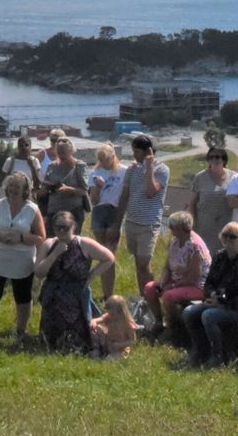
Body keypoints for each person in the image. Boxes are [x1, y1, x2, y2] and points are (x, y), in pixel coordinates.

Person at [0, 171, 44, 342]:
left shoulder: (33, 210)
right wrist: (0, 236)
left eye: (17, 187)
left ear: (25, 190)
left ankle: (21, 331)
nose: (13, 189)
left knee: (23, 298)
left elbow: (41, 238)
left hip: (23, 261)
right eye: (11, 186)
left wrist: (21, 238)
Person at [34, 209, 114, 353]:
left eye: (65, 227)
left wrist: (91, 275)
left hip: (76, 297)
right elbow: (39, 272)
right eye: (58, 227)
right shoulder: (49, 244)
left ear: (73, 227)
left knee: (78, 341)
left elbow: (109, 258)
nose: (61, 231)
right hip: (53, 296)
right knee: (50, 342)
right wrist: (55, 254)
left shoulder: (84, 244)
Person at [181, 221, 238, 366]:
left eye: (233, 237)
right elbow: (208, 283)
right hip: (218, 302)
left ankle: (217, 356)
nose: (228, 240)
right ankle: (200, 350)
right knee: (188, 312)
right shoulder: (219, 256)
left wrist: (221, 302)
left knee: (208, 316)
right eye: (225, 236)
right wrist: (212, 295)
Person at [116, 133, 169, 303]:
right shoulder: (132, 169)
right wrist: (117, 223)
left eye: (137, 152)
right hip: (131, 222)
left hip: (149, 224)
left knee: (144, 263)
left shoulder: (162, 170)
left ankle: (152, 299)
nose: (134, 155)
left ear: (148, 152)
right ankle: (143, 298)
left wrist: (149, 167)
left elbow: (151, 191)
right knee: (139, 264)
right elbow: (125, 196)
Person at [142, 210, 210, 335]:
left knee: (168, 296)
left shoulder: (195, 247)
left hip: (197, 285)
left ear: (179, 228)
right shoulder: (175, 241)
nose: (170, 229)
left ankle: (173, 327)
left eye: (171, 226)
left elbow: (194, 277)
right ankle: (159, 321)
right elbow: (168, 266)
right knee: (149, 288)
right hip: (177, 280)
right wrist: (163, 283)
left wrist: (172, 286)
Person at [86, 142, 129, 299]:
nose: (105, 163)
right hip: (99, 212)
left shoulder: (124, 171)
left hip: (114, 211)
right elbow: (94, 201)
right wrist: (98, 188)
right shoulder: (95, 173)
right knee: (103, 254)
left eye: (107, 159)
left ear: (113, 156)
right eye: (102, 160)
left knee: (110, 254)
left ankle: (108, 293)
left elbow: (126, 194)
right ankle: (106, 293)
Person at [39, 135, 90, 233]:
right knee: (52, 239)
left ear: (71, 151)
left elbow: (84, 190)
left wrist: (68, 189)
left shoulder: (79, 166)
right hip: (54, 210)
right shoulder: (52, 166)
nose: (61, 155)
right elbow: (45, 185)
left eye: (63, 152)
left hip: (73, 210)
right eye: (59, 152)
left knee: (71, 239)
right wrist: (45, 187)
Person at [187, 146, 236, 242]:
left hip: (227, 230)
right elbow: (192, 204)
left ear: (224, 160)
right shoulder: (200, 177)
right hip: (204, 229)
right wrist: (191, 226)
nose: (214, 159)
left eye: (217, 157)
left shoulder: (234, 177)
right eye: (211, 157)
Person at [90, 293, 136, 359]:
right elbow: (99, 319)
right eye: (108, 312)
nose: (110, 315)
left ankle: (107, 356)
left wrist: (119, 345)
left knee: (110, 359)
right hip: (108, 341)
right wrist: (94, 321)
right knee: (96, 328)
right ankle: (97, 349)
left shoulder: (127, 323)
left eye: (112, 314)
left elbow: (132, 341)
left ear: (121, 312)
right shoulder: (109, 316)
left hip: (120, 349)